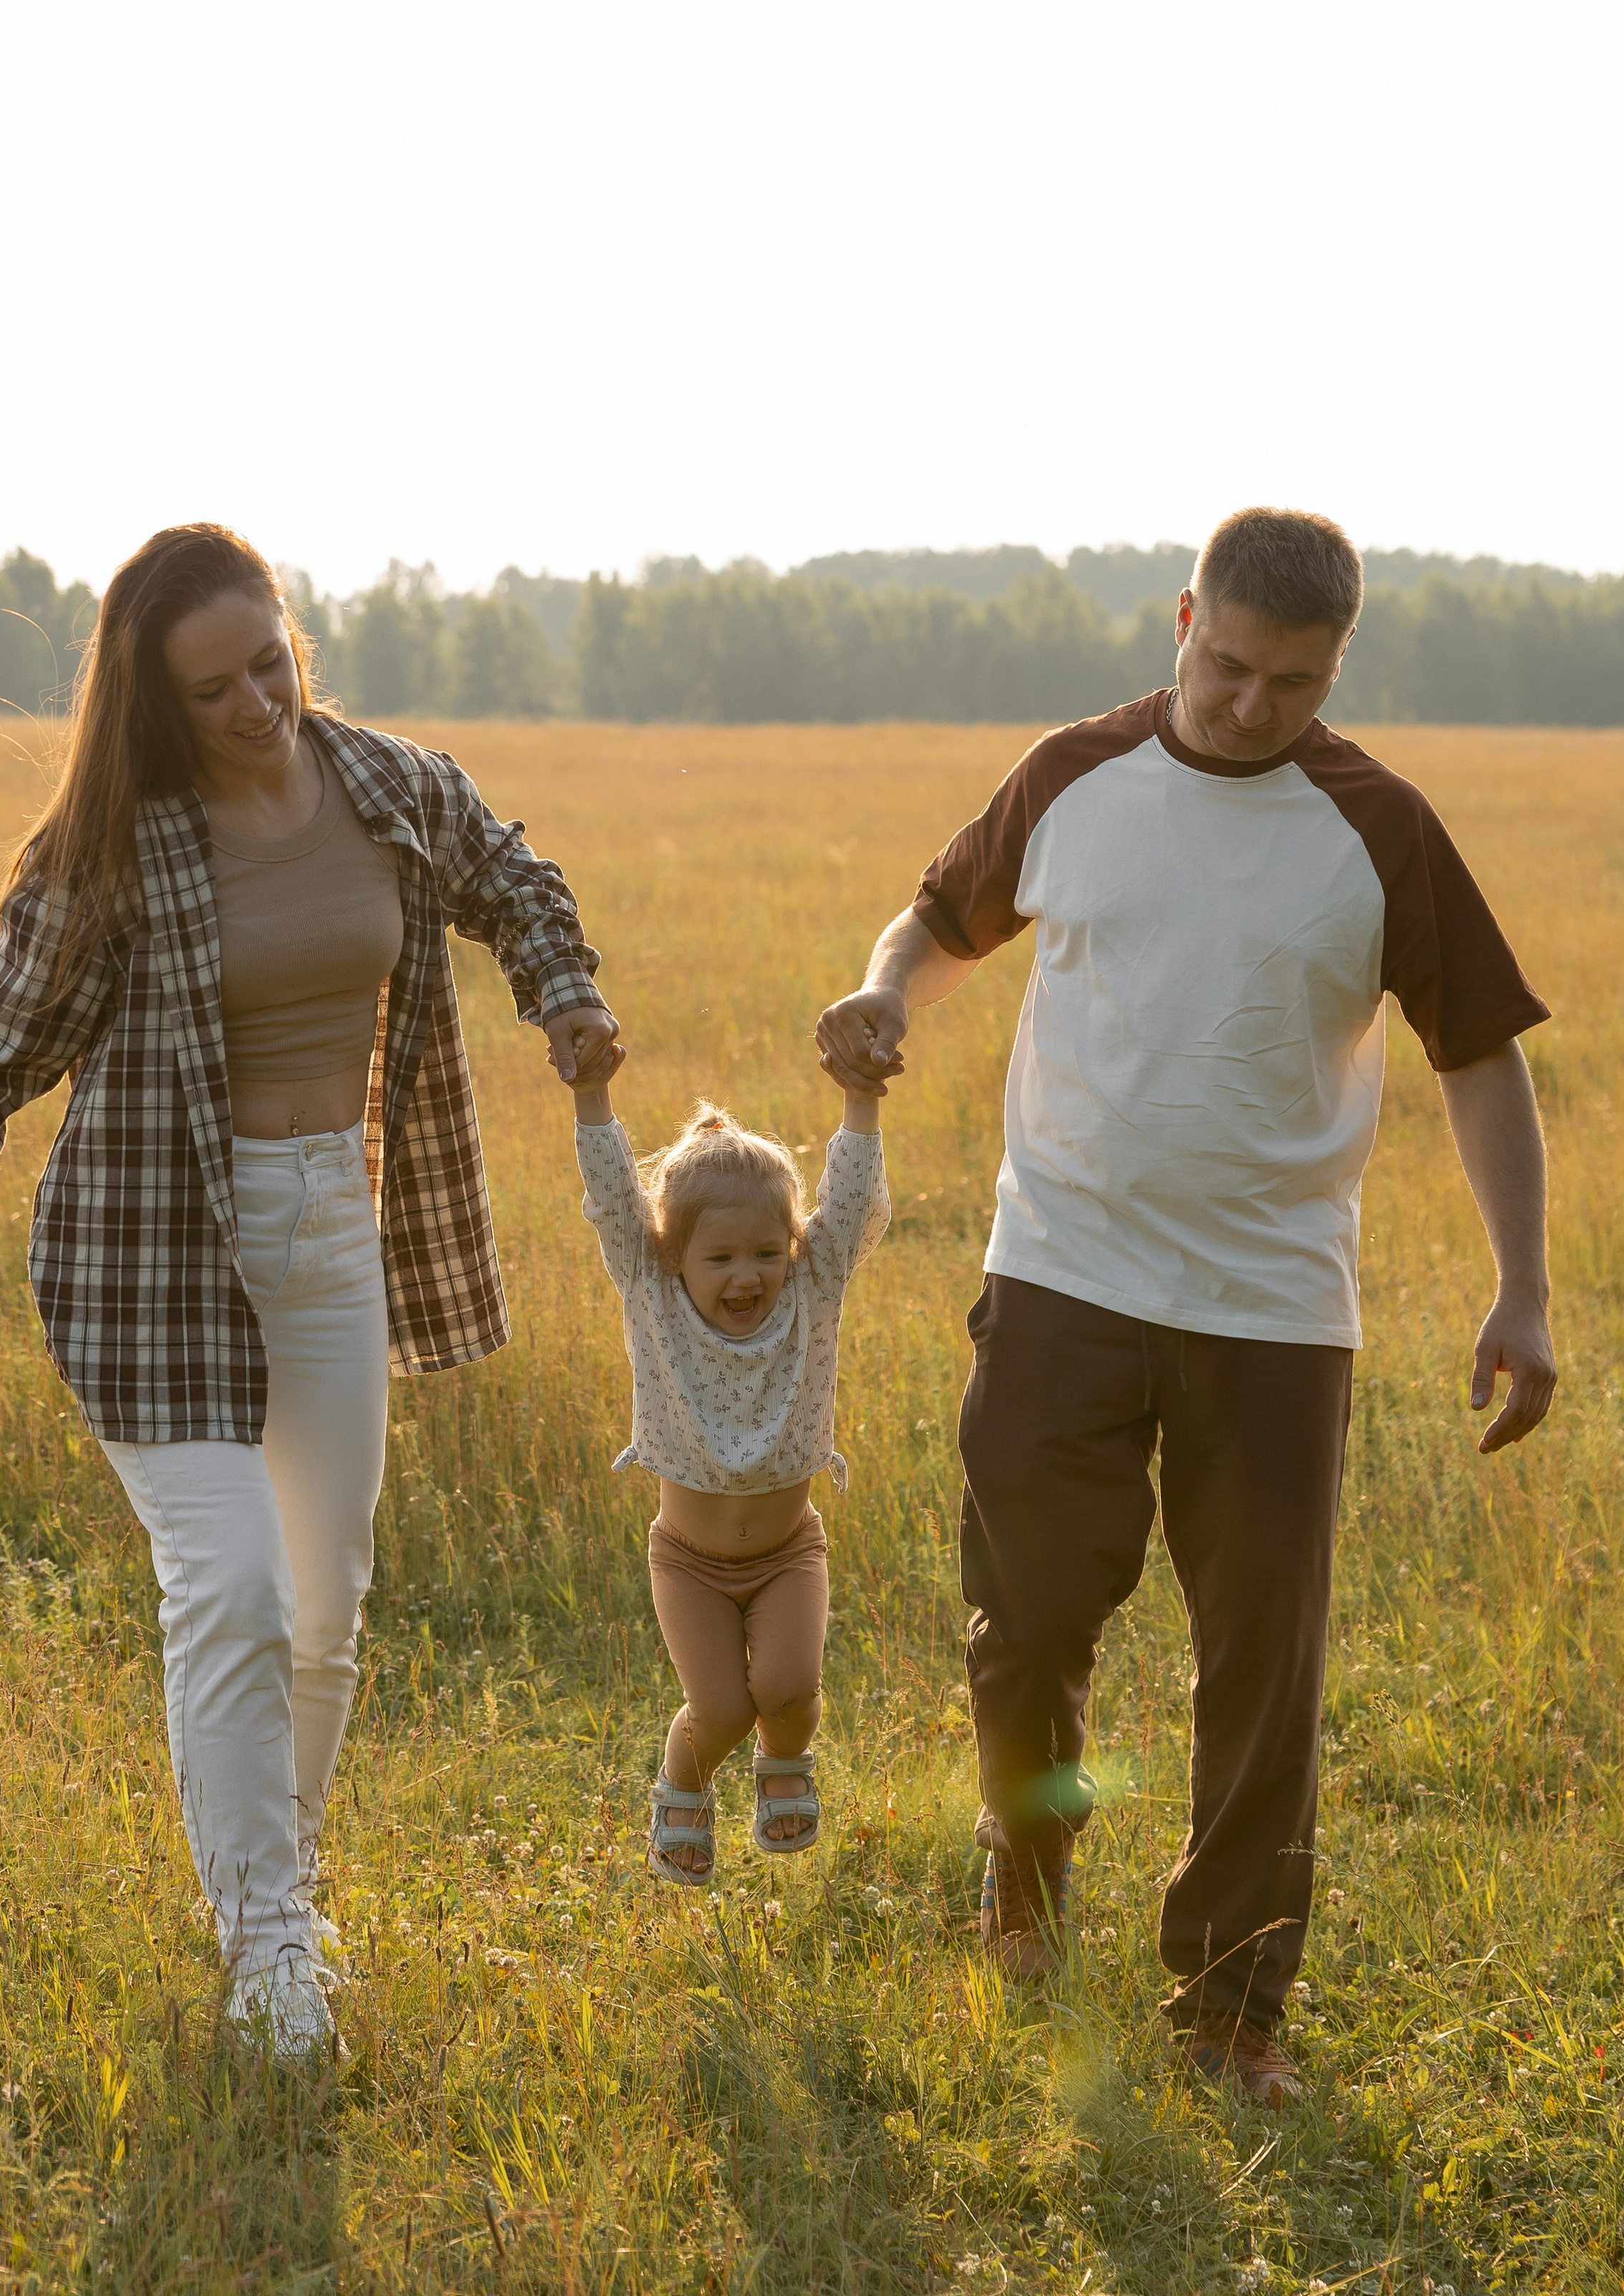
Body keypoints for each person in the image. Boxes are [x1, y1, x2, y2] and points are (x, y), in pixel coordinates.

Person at [814, 507, 1555, 2108]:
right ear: (1180, 621)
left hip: (1272, 1312)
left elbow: (1477, 1054)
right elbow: (935, 924)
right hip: (1059, 1272)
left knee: (1259, 1663)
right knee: (1026, 1621)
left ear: (1334, 667)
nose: (1244, 706)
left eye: (1288, 683)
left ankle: (1227, 2009)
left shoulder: (1377, 825)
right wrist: (881, 995)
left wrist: (1523, 1284)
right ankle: (1024, 1884)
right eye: (1222, 665)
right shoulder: (1073, 774)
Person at [0, 523, 616, 2062]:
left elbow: (510, 875)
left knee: (325, 1613)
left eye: (268, 662)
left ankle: (268, 1890)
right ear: (157, 702)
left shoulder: (389, 787)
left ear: (296, 636)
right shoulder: (117, 848)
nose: (254, 703)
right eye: (211, 689)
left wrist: (565, 993)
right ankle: (273, 1946)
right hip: (151, 1255)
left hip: (329, 1237)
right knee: (231, 1590)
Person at [571, 1064, 890, 1886]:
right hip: (689, 1561)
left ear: (793, 1249)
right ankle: (682, 1784)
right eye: (719, 1258)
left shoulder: (813, 1290)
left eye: (764, 1253)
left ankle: (785, 1764)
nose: (745, 1277)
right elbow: (613, 1197)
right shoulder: (651, 1291)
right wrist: (591, 1096)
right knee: (719, 1709)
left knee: (787, 1691)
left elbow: (848, 1205)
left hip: (788, 1553)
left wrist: (862, 1099)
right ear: (672, 1255)